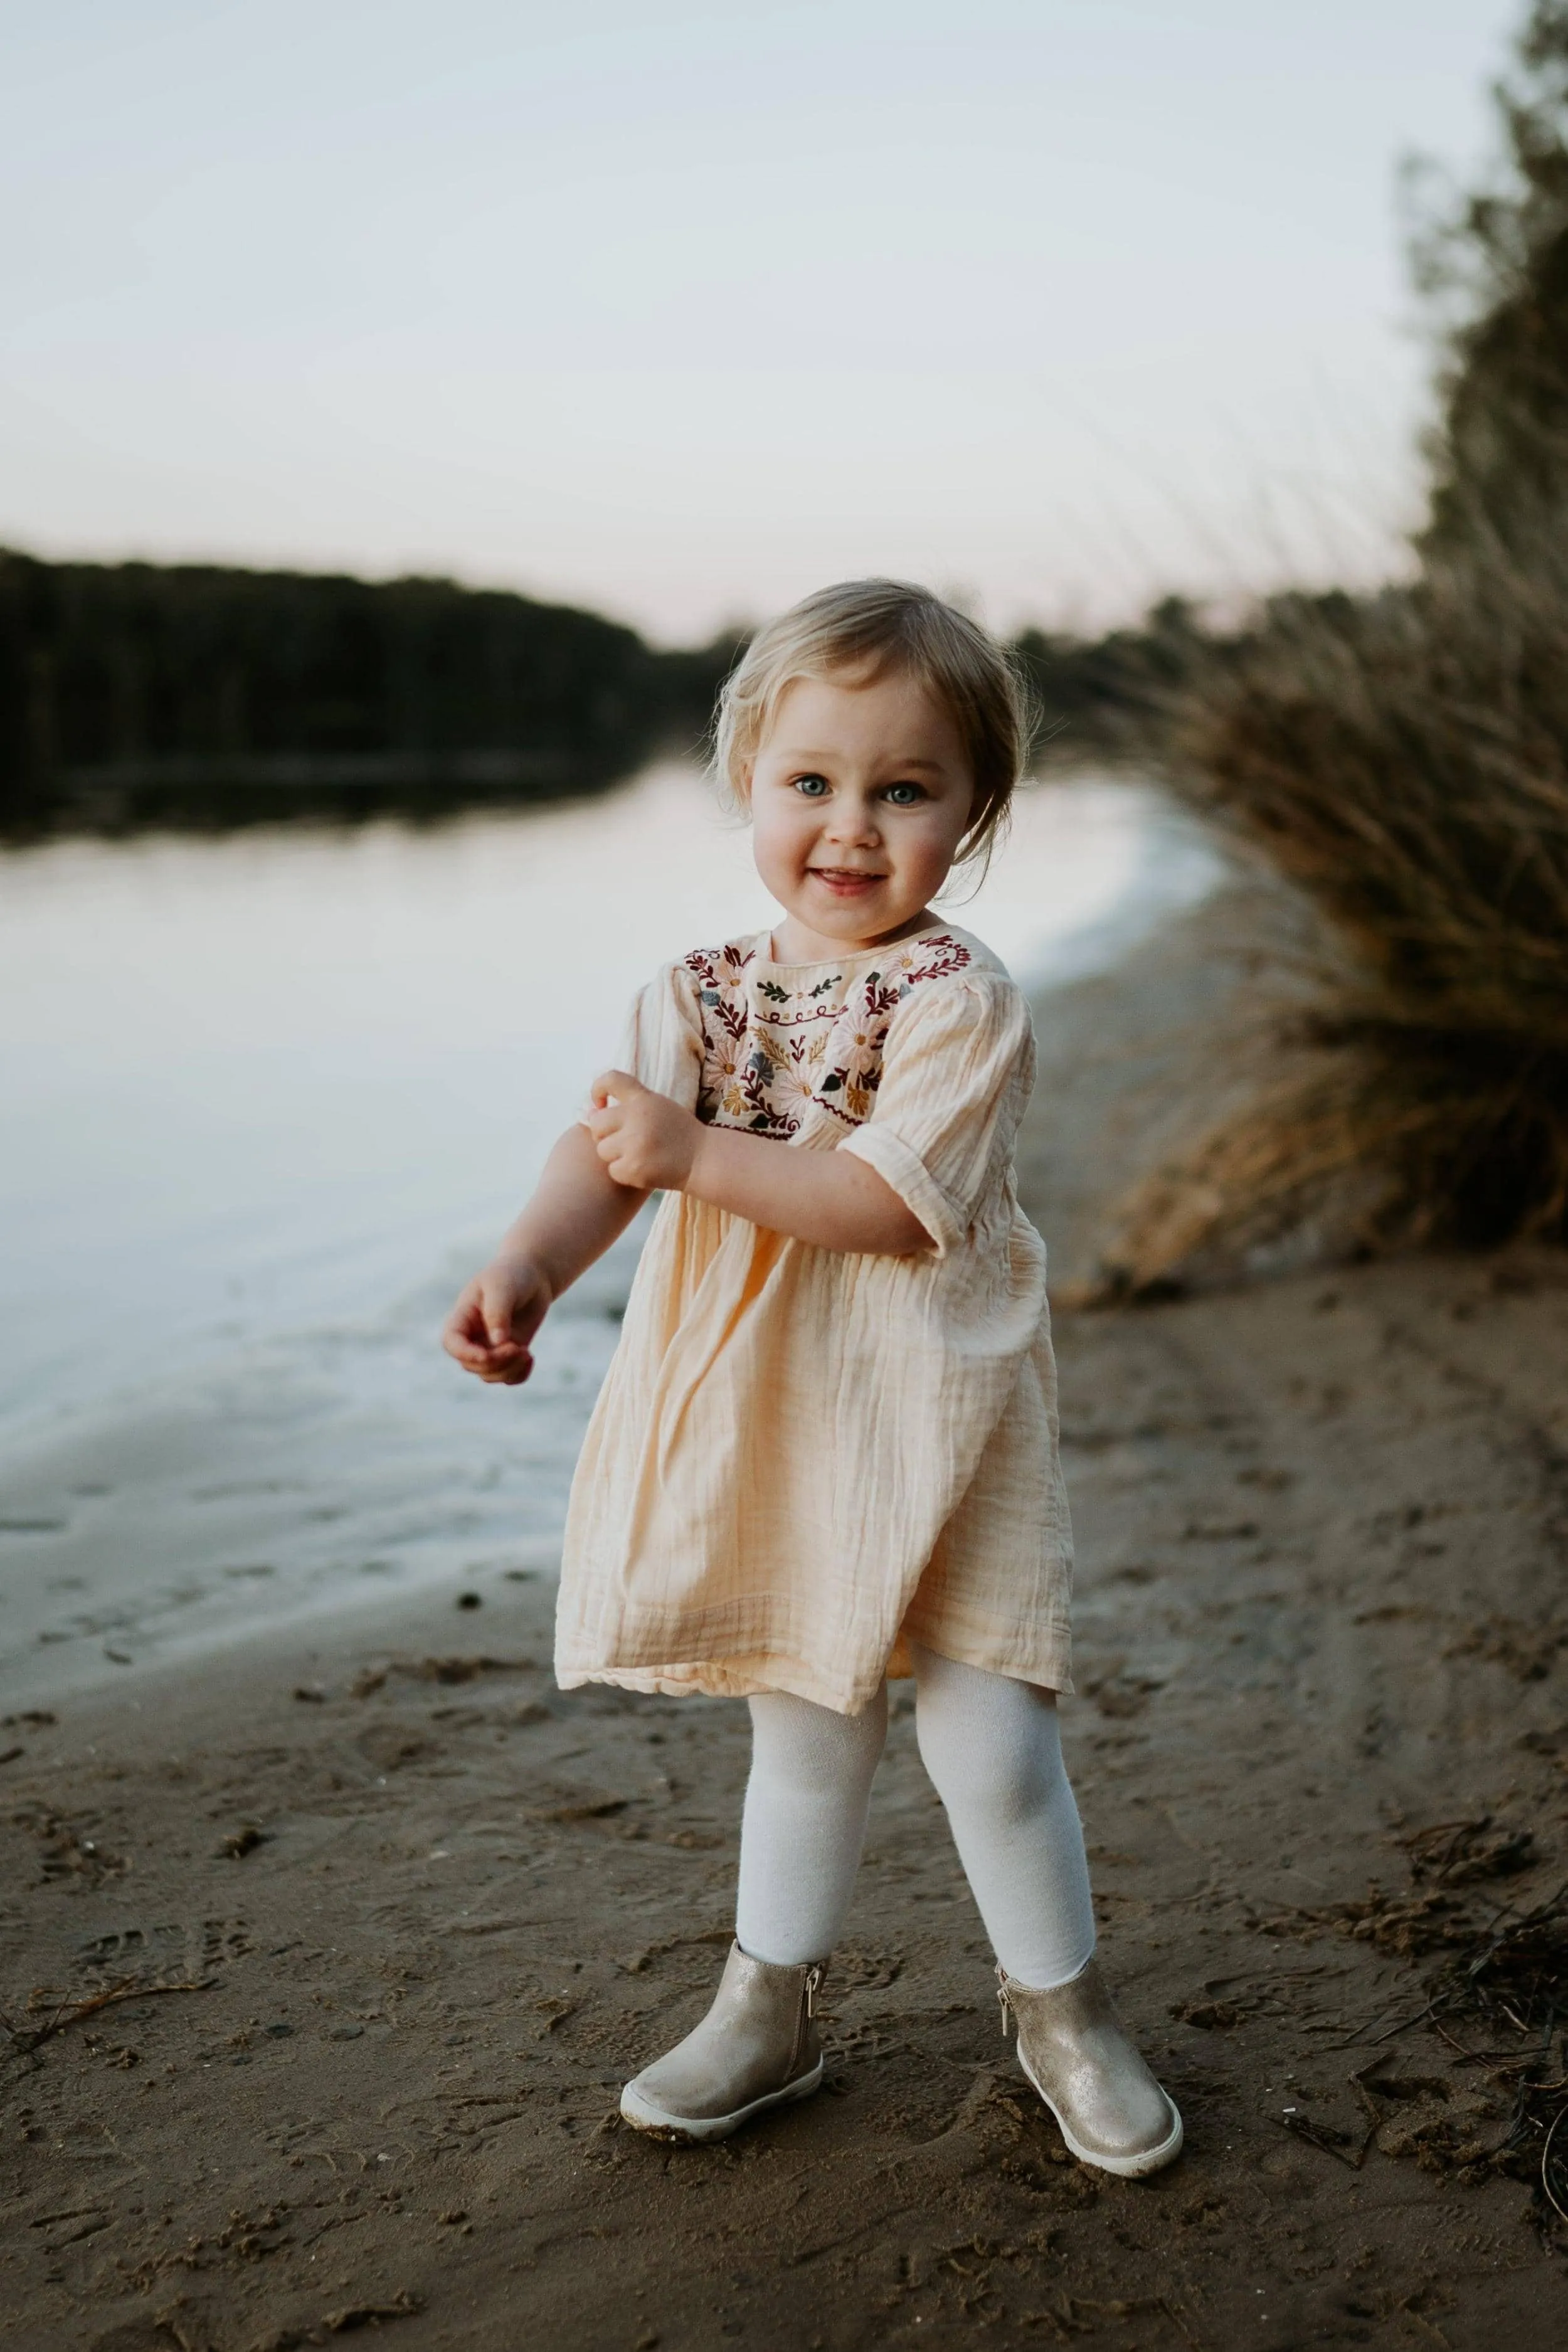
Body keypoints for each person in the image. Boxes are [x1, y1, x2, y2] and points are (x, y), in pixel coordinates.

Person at [442, 579, 1182, 2177]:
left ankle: (1061, 2009)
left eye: (904, 791)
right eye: (813, 784)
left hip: (944, 1411)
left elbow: (874, 1204)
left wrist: (696, 1152)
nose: (851, 828)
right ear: (747, 781)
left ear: (972, 813)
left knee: (989, 1741)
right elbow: (607, 1160)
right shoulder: (693, 995)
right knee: (806, 1732)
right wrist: (528, 1265)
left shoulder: (958, 1002)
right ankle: (764, 2006)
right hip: (777, 1419)